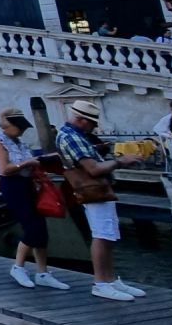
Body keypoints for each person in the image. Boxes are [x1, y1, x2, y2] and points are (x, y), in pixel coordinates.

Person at [53, 100, 143, 301]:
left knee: (108, 235)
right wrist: (121, 161)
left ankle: (110, 279)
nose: (94, 127)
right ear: (80, 120)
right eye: (92, 122)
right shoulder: (71, 137)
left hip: (100, 190)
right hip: (92, 190)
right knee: (102, 235)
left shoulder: (77, 136)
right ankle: (101, 283)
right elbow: (93, 169)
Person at [0, 107, 71, 290]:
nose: (21, 131)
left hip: (28, 184)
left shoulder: (19, 142)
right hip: (12, 186)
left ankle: (42, 272)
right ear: (8, 126)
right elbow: (4, 169)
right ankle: (18, 267)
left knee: (41, 228)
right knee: (32, 227)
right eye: (18, 127)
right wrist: (27, 163)